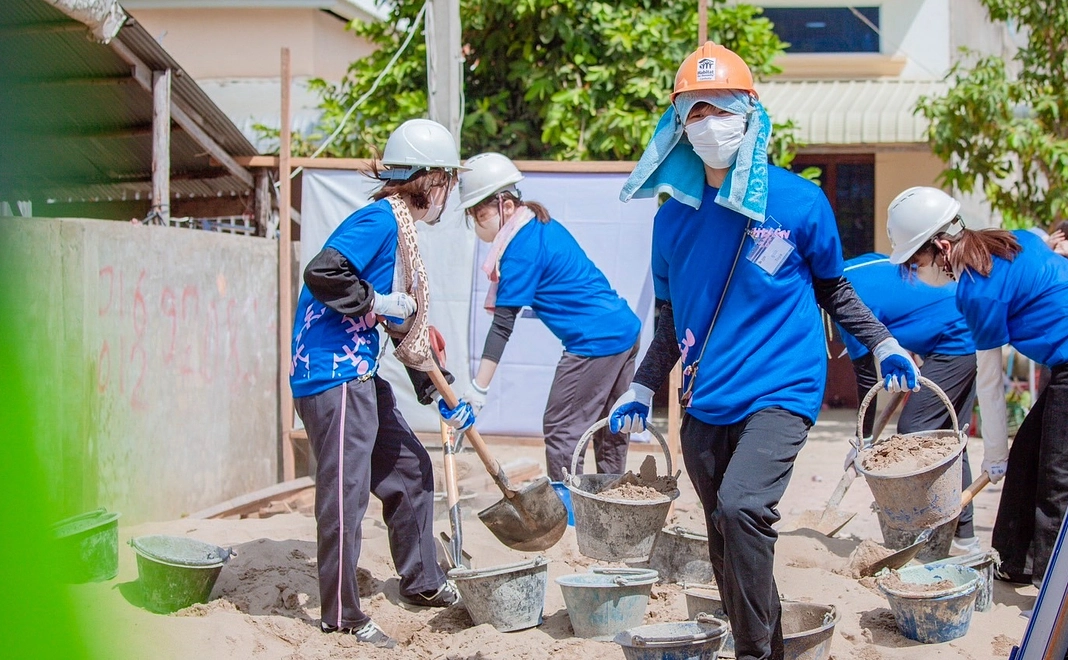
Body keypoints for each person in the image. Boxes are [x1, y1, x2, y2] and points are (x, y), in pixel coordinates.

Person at [608, 42, 920, 660]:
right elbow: (669, 318)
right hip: (706, 396)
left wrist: (882, 341)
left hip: (782, 387)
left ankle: (752, 653)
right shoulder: (671, 218)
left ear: (750, 111)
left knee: (744, 506)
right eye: (692, 112)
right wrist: (643, 383)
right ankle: (769, 644)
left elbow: (834, 288)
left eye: (719, 107)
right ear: (677, 124)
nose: (707, 122)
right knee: (724, 533)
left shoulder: (801, 202)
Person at [289, 118, 472, 648]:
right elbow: (324, 273)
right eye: (448, 182)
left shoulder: (401, 234)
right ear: (428, 180)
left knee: (410, 469)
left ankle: (422, 583)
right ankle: (342, 615)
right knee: (345, 494)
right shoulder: (380, 221)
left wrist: (438, 390)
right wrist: (377, 301)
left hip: (359, 372)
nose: (449, 195)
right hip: (332, 374)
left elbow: (403, 332)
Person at [886, 185, 1068, 587]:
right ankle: (1013, 563)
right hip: (1062, 366)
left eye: (916, 260)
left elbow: (989, 381)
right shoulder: (1012, 239)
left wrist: (992, 455)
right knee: (1028, 457)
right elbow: (1046, 245)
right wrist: (1006, 456)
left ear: (940, 245)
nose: (917, 270)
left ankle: (1051, 587)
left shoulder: (978, 292)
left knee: (1056, 476)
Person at [452, 152, 642, 481]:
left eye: (477, 212)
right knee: (611, 427)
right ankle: (610, 501)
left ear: (505, 205)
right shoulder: (537, 225)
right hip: (623, 329)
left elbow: (502, 325)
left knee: (562, 428)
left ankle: (569, 508)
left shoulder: (521, 246)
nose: (475, 221)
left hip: (595, 341)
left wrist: (478, 390)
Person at [837, 245, 979, 554]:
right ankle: (966, 539)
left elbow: (865, 377)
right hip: (955, 331)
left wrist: (863, 440)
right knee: (949, 439)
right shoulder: (857, 264)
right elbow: (901, 293)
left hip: (954, 341)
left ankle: (921, 537)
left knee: (914, 430)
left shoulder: (842, 299)